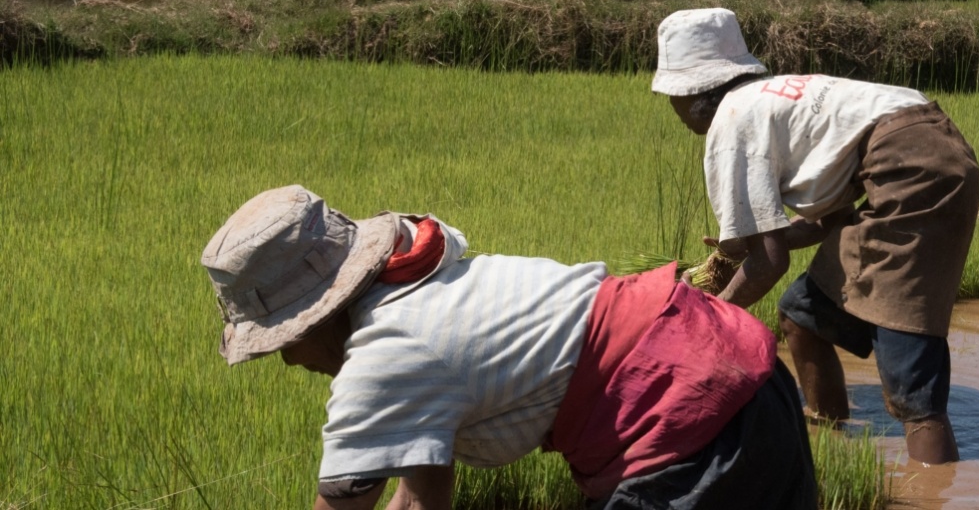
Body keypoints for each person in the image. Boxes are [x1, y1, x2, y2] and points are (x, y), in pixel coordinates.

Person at [200, 186, 817, 510]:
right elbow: (417, 500)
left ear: (317, 317)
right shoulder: (419, 282)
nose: (285, 358)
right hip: (738, 359)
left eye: (282, 340)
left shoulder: (383, 362)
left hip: (687, 413)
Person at [651, 8, 979, 465]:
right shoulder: (772, 99)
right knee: (802, 316)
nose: (675, 110)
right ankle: (831, 438)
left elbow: (768, 262)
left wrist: (711, 314)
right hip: (927, 152)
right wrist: (762, 243)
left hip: (911, 175)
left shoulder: (732, 119)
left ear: (698, 96)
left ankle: (935, 483)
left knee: (910, 377)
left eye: (673, 97)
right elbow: (829, 223)